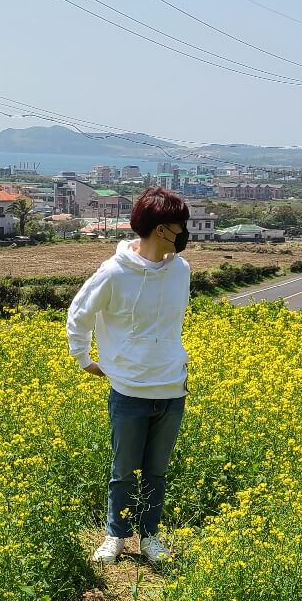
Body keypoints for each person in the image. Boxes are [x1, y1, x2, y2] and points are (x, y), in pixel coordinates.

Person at [66, 187, 190, 565]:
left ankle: (150, 537)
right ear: (161, 229)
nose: (185, 232)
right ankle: (116, 536)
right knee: (123, 472)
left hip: (172, 387)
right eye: (180, 225)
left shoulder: (181, 270)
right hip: (129, 390)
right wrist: (84, 359)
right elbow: (79, 314)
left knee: (157, 472)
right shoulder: (114, 272)